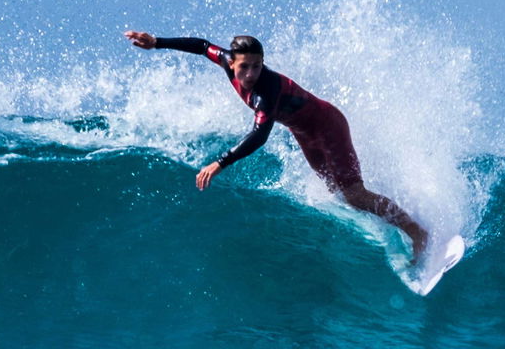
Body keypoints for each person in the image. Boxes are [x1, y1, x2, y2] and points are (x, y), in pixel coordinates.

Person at [125, 31, 430, 259]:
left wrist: (220, 163)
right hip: (305, 133)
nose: (250, 74)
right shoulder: (227, 61)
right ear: (233, 63)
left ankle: (416, 231)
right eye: (244, 67)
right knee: (340, 194)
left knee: (353, 192)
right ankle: (395, 217)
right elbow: (203, 46)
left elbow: (259, 135)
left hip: (328, 126)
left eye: (257, 66)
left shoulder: (265, 92)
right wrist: (157, 42)